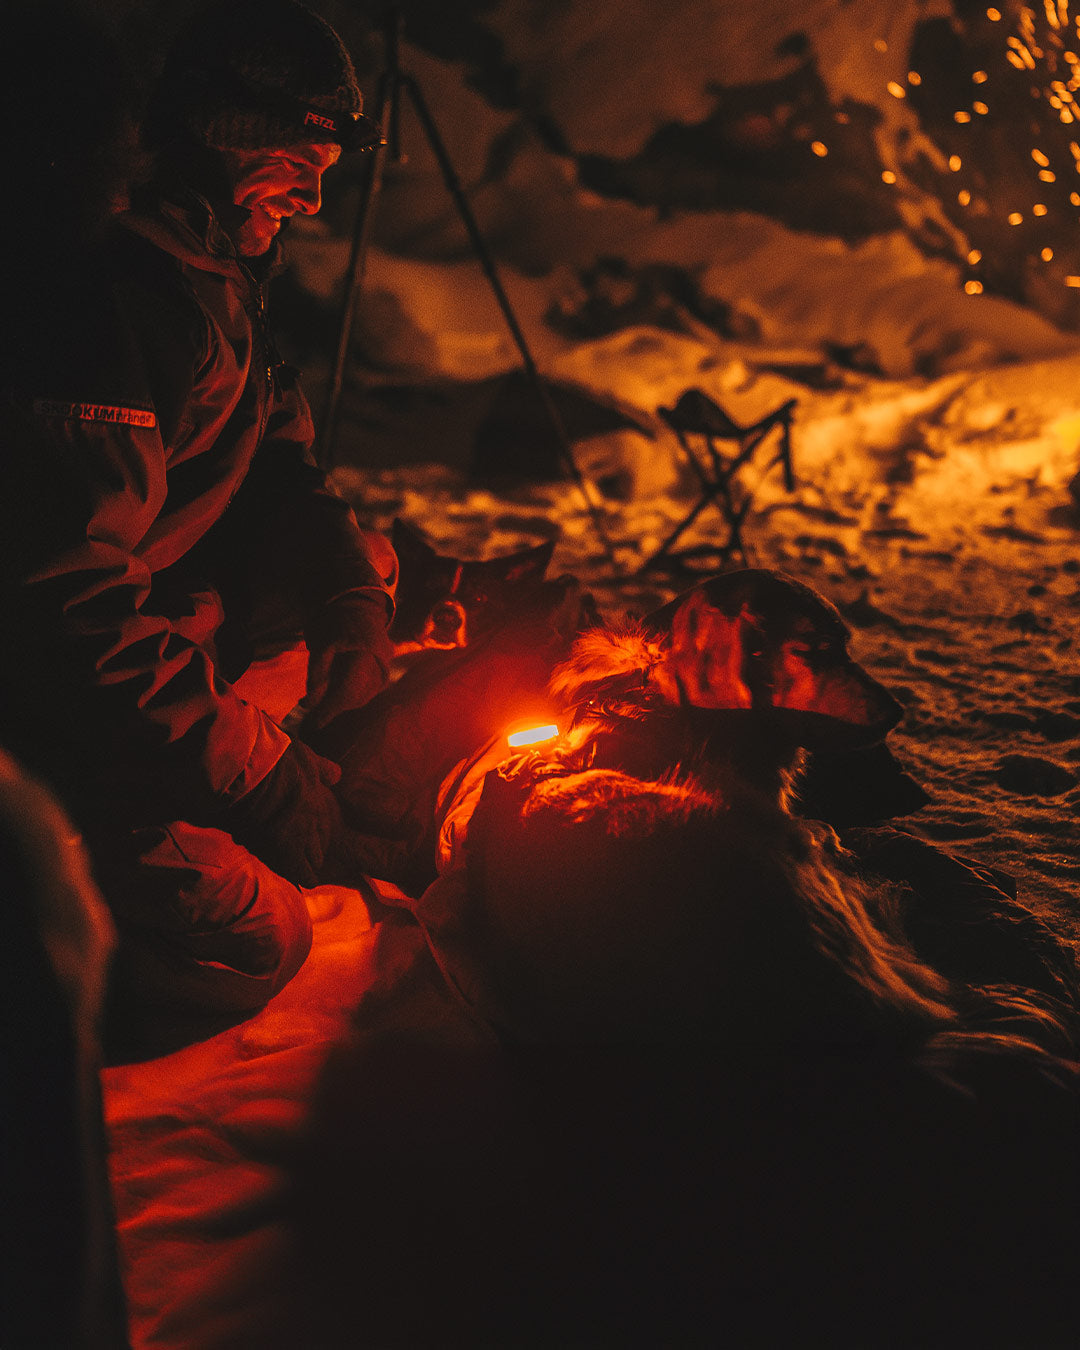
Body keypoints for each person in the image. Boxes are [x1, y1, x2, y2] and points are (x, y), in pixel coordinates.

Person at [0, 0, 398, 1029]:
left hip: (121, 674)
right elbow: (62, 598)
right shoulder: (113, 306)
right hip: (39, 725)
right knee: (266, 938)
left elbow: (275, 463)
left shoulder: (215, 281)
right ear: (231, 135)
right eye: (301, 157)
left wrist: (347, 592)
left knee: (383, 564)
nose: (314, 195)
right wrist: (260, 774)